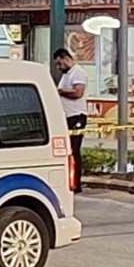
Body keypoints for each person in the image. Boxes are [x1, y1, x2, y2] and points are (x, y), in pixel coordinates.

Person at [53, 48, 89, 194]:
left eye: (59, 63)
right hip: (67, 117)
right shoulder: (67, 75)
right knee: (67, 150)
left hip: (76, 116)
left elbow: (78, 93)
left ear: (66, 58)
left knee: (74, 150)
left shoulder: (78, 73)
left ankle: (76, 184)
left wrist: (61, 92)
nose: (58, 67)